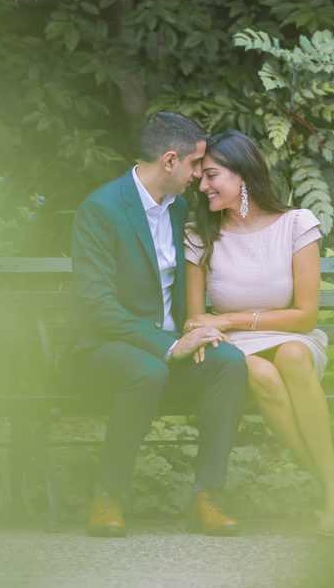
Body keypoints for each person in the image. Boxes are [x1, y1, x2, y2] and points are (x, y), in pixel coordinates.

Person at [183, 130, 334, 538]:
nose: (202, 186)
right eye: (200, 177)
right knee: (263, 374)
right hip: (238, 350)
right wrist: (217, 328)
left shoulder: (295, 224)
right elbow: (197, 320)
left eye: (211, 175)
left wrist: (231, 319)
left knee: (290, 355)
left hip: (291, 338)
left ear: (243, 176)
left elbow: (305, 316)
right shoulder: (200, 234)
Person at [70, 112, 249, 537]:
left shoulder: (181, 208)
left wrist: (199, 329)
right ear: (170, 161)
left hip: (170, 349)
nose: (199, 178)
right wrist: (168, 347)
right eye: (194, 166)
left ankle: (206, 497)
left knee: (230, 362)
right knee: (147, 370)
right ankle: (107, 496)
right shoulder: (101, 209)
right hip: (105, 353)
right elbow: (97, 306)